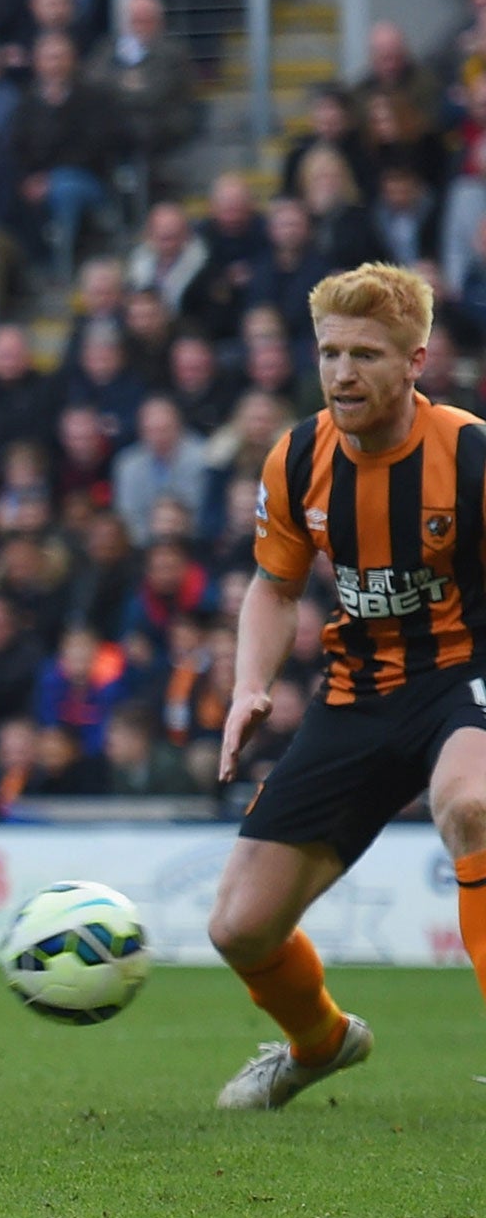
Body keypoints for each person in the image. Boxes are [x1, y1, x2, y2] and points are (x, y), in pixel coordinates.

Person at [214, 263, 486, 1112]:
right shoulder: (297, 457)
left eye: (366, 354)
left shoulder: (470, 453)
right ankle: (320, 1042)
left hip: (463, 677)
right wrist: (249, 685)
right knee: (240, 927)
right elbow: (275, 586)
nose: (342, 373)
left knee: (471, 805)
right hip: (357, 694)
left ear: (416, 361)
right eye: (331, 352)